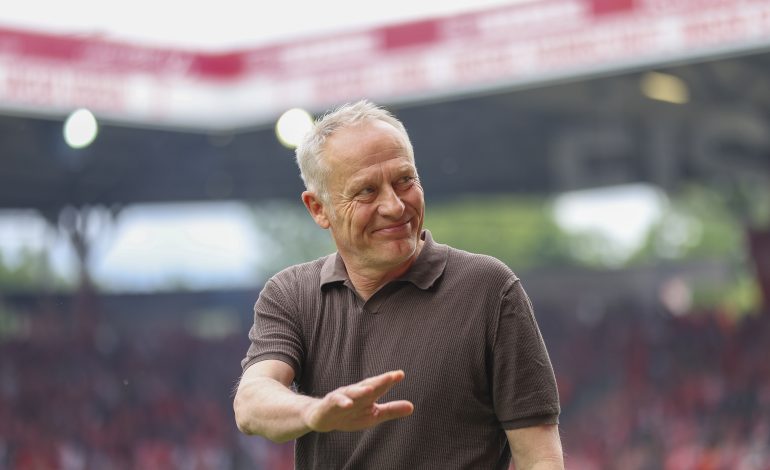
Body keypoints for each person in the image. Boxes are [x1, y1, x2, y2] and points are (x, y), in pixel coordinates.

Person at [234, 100, 563, 469]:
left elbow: (539, 459)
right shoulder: (291, 294)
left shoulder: (489, 289)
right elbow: (251, 403)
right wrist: (317, 412)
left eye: (404, 180)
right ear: (318, 208)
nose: (394, 206)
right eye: (366, 192)